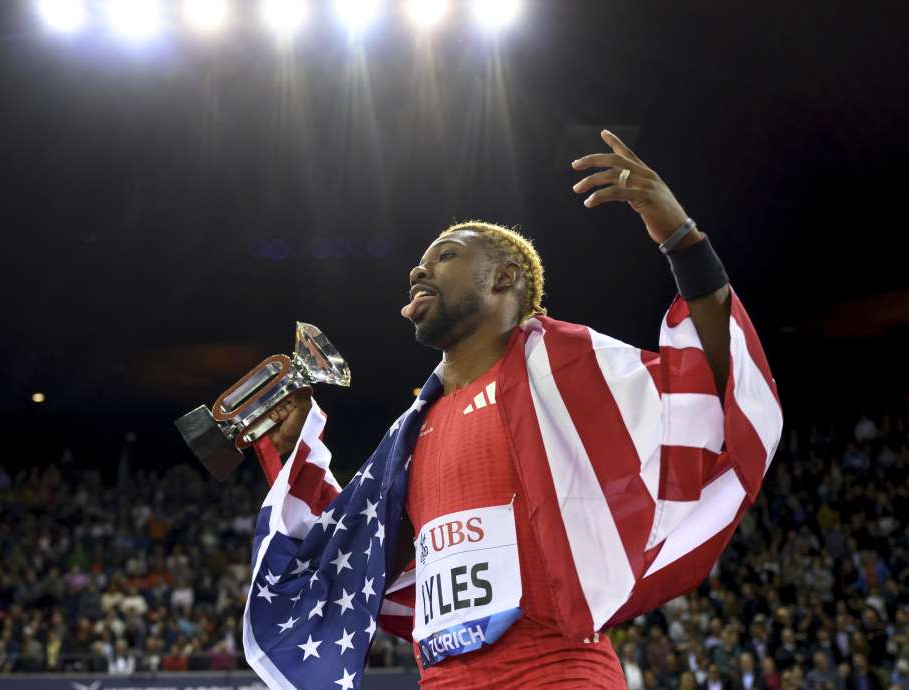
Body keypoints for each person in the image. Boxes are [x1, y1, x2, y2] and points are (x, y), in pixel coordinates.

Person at [249, 130, 782, 688]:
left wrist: (681, 239)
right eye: (419, 262)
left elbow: (711, 387)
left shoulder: (567, 372)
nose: (418, 270)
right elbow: (360, 555)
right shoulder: (412, 431)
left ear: (505, 277)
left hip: (557, 670)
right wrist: (292, 450)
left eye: (446, 255)